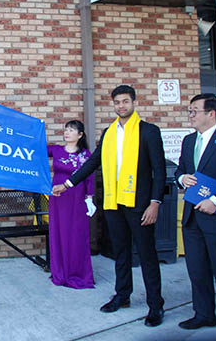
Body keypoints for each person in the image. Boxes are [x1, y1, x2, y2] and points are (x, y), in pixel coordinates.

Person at [53, 85, 166, 327]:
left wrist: (155, 202)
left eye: (125, 101)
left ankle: (155, 305)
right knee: (120, 253)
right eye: (117, 102)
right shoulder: (109, 133)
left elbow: (159, 170)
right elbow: (93, 161)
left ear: (134, 102)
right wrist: (68, 183)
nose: (121, 106)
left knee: (147, 255)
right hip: (114, 203)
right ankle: (123, 295)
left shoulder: (148, 131)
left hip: (140, 204)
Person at [174, 93, 216, 330]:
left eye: (195, 110)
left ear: (211, 113)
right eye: (190, 110)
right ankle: (204, 314)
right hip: (192, 216)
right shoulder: (188, 141)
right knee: (197, 269)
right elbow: (181, 171)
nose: (191, 115)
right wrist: (182, 178)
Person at [47, 120, 95, 289]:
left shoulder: (86, 155)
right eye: (66, 130)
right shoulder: (56, 150)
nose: (67, 133)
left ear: (80, 135)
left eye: (72, 130)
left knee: (76, 234)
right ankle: (60, 272)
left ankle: (77, 272)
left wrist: (90, 198)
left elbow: (89, 177)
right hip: (58, 197)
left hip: (77, 198)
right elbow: (35, 152)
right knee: (58, 233)